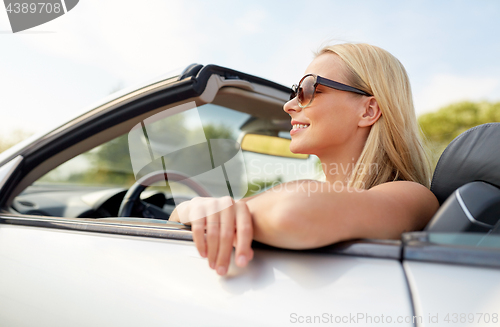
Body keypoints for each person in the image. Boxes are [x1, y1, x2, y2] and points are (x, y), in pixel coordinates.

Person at [170, 43, 439, 276]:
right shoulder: (309, 191)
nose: (289, 105)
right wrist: (195, 208)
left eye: (309, 89)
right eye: (294, 91)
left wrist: (221, 213)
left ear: (368, 110)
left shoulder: (413, 196)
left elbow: (291, 214)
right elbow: (177, 216)